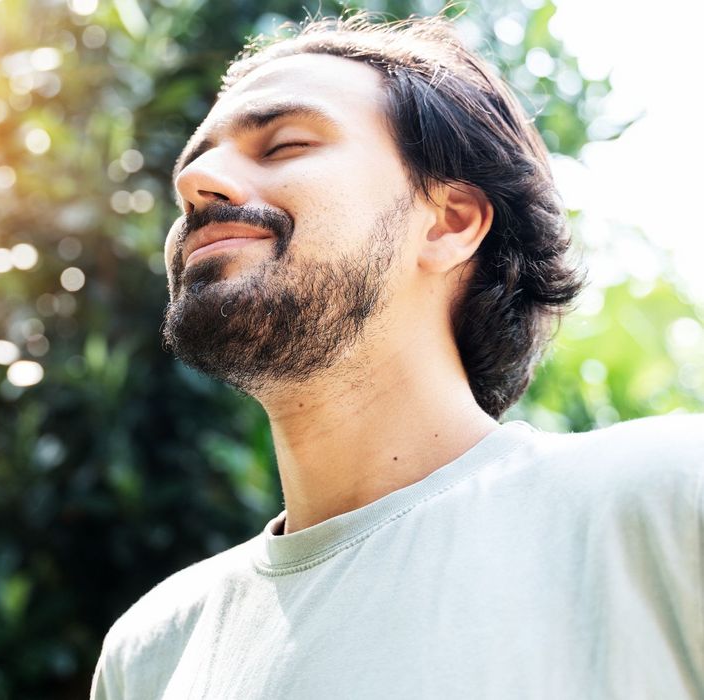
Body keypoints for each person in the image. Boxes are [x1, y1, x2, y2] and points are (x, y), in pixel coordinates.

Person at [91, 13, 704, 699]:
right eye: (194, 162)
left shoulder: (669, 500)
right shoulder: (151, 654)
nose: (198, 180)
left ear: (449, 222)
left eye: (284, 143)